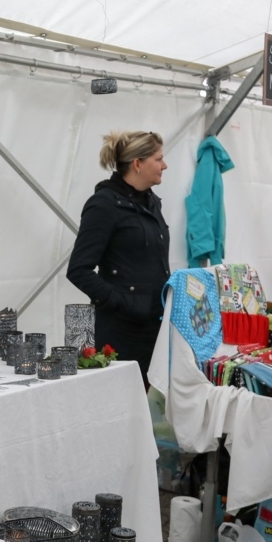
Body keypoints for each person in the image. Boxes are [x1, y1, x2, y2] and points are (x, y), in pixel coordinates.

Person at [66, 130, 171, 383]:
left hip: (153, 328)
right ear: (137, 164)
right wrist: (122, 301)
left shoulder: (152, 202)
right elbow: (78, 270)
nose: (164, 165)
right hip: (120, 334)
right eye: (158, 159)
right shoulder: (103, 205)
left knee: (149, 402)